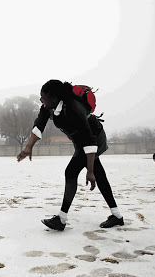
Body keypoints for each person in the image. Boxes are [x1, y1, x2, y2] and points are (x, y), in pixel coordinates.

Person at [17, 79, 123, 231]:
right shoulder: (48, 107)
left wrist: (90, 170)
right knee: (99, 175)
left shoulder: (74, 108)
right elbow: (39, 125)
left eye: (43, 97)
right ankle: (117, 216)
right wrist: (28, 147)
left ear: (54, 97)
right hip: (80, 141)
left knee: (71, 172)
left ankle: (61, 219)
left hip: (94, 139)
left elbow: (89, 139)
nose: (41, 100)